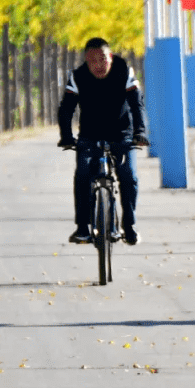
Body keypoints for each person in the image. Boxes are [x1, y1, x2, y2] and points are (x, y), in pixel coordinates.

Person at [57, 37, 149, 246]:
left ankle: (129, 225)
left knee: (129, 177)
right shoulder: (78, 76)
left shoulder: (124, 71)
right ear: (86, 62)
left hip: (122, 135)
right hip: (90, 136)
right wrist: (66, 136)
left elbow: (137, 105)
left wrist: (140, 132)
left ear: (111, 56)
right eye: (93, 61)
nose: (99, 65)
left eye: (103, 59)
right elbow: (66, 108)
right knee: (82, 174)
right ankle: (82, 227)